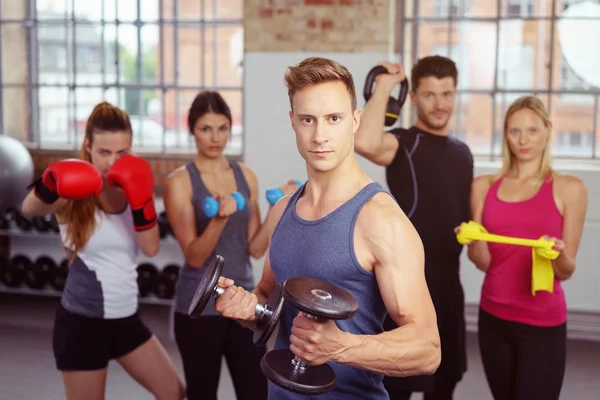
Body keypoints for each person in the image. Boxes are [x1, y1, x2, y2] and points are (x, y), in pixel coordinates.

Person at [212, 56, 441, 400]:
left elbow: (427, 350)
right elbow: (269, 302)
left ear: (354, 119)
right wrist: (247, 308)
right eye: (308, 120)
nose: (320, 135)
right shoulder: (282, 211)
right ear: (293, 122)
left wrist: (340, 348)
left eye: (333, 119)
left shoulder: (380, 219)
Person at [20, 101, 185, 400]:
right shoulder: (73, 192)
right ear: (88, 146)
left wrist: (141, 199)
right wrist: (50, 182)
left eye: (122, 152)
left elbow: (149, 248)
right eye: (104, 152)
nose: (112, 162)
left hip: (126, 318)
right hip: (83, 323)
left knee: (173, 391)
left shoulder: (134, 185)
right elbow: (28, 208)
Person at [163, 91, 298, 400]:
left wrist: (282, 208)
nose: (216, 137)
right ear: (192, 130)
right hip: (198, 307)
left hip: (244, 303)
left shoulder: (245, 176)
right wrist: (220, 218)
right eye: (206, 129)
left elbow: (254, 248)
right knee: (203, 393)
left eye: (223, 128)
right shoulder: (180, 182)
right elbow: (195, 257)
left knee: (255, 392)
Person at [353, 55, 473, 400]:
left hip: (450, 288)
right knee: (399, 390)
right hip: (407, 288)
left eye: (447, 94)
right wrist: (387, 85)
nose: (439, 104)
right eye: (430, 94)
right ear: (415, 97)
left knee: (444, 388)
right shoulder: (404, 143)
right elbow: (364, 142)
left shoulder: (464, 152)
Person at [458, 95, 588, 400]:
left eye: (532, 130)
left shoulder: (571, 189)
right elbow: (484, 261)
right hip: (493, 317)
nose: (523, 139)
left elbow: (566, 270)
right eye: (514, 131)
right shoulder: (483, 186)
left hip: (542, 323)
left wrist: (557, 254)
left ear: (547, 129)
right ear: (505, 133)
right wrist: (473, 236)